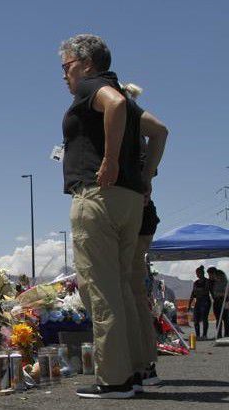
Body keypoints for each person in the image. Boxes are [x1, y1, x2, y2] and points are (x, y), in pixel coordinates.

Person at [59, 34, 150, 399]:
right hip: (128, 200)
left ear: (86, 63)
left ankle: (114, 380)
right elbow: (159, 131)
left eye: (66, 67)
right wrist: (146, 177)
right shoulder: (124, 93)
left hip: (99, 197)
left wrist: (110, 160)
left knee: (100, 290)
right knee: (125, 290)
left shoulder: (94, 87)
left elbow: (112, 106)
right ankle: (137, 369)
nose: (64, 76)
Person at [124, 82, 168, 388]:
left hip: (132, 211)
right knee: (134, 289)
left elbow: (161, 130)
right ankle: (144, 363)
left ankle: (138, 364)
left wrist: (145, 176)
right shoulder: (132, 128)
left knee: (128, 290)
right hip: (142, 212)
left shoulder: (126, 116)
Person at [187, 266, 212, 339]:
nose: (197, 275)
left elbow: (208, 291)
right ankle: (197, 335)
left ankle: (204, 335)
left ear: (202, 273)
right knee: (196, 320)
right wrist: (189, 304)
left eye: (198, 273)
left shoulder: (207, 281)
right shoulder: (196, 283)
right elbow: (193, 294)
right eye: (196, 273)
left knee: (204, 318)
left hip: (205, 301)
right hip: (198, 302)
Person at [207, 267, 228, 338]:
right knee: (218, 319)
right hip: (217, 302)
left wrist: (220, 294)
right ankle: (219, 335)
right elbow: (214, 293)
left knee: (226, 319)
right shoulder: (213, 283)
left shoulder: (225, 283)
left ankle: (227, 335)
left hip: (225, 302)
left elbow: (226, 294)